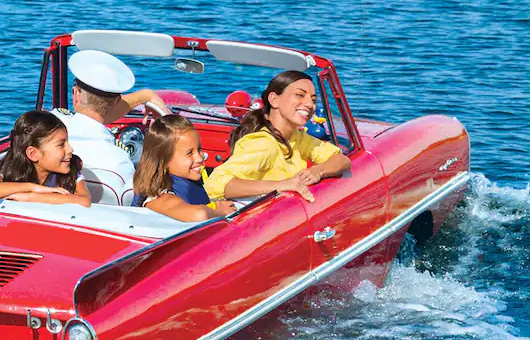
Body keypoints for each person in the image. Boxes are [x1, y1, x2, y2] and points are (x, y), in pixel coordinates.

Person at [204, 70, 351, 203]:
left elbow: (342, 160)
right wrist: (282, 185)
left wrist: (318, 171)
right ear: (274, 100)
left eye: (313, 99)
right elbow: (214, 184)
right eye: (300, 95)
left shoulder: (297, 137)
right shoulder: (263, 144)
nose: (309, 104)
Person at [59, 49, 170, 205]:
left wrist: (144, 96)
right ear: (117, 101)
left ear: (76, 94)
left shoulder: (51, 126)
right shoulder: (120, 162)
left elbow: (93, 114)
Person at [134, 115, 239, 222]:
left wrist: (215, 206)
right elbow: (199, 215)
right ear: (164, 160)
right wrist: (219, 212)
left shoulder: (187, 181)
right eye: (190, 153)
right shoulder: (159, 197)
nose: (200, 158)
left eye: (199, 149)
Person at [0, 110, 91, 205]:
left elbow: (84, 201)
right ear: (33, 154)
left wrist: (33, 197)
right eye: (61, 145)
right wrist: (33, 188)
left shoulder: (71, 167)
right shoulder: (7, 168)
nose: (70, 149)